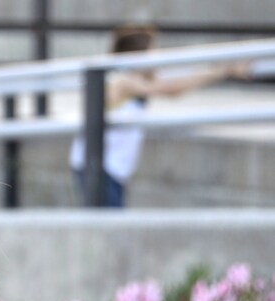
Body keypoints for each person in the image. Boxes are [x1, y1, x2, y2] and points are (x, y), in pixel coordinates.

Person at [70, 24, 251, 207]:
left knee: (112, 227)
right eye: (152, 50)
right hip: (99, 167)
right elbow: (171, 90)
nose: (157, 56)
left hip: (111, 169)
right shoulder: (122, 81)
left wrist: (223, 69)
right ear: (138, 54)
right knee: (110, 229)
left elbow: (178, 80)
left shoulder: (132, 79)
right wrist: (224, 71)